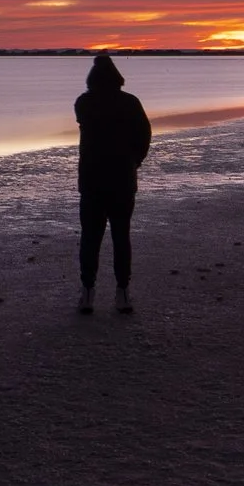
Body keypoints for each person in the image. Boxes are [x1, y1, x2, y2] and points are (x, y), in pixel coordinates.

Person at [73, 52, 152, 314]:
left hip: (92, 180)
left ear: (92, 78)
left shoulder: (84, 103)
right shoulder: (130, 103)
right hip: (122, 179)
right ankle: (122, 292)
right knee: (121, 236)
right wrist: (134, 161)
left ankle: (88, 291)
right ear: (118, 77)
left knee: (90, 238)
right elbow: (144, 136)